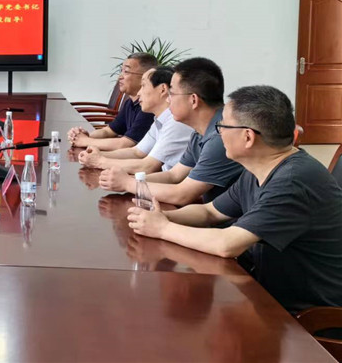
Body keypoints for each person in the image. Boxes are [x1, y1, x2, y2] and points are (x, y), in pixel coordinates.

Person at [128, 85, 342, 313]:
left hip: (307, 314)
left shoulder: (292, 181)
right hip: (264, 291)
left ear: (247, 137)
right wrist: (162, 217)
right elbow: (210, 212)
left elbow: (227, 245)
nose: (218, 132)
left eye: (223, 126)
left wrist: (162, 228)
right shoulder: (259, 168)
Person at [99, 57, 243, 205]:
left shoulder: (220, 136)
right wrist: (128, 180)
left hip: (221, 218)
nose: (168, 100)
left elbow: (182, 194)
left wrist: (128, 184)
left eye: (172, 94)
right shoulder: (199, 131)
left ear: (193, 100)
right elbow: (173, 176)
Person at [79, 66, 192, 174]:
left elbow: (147, 166)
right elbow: (137, 152)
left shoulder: (176, 122)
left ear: (162, 89)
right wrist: (98, 155)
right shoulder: (160, 118)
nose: (138, 93)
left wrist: (100, 161)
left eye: (143, 86)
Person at [68, 53, 157, 151]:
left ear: (145, 77)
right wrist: (85, 136)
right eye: (121, 71)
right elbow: (108, 131)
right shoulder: (130, 103)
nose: (120, 77)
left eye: (126, 71)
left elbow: (125, 144)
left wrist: (85, 141)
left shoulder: (148, 109)